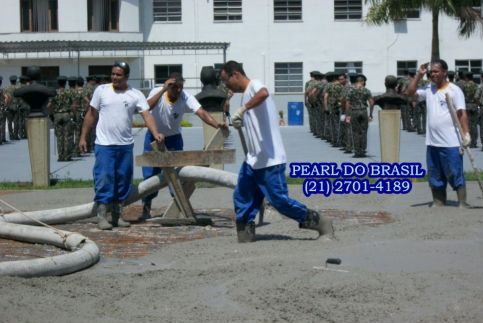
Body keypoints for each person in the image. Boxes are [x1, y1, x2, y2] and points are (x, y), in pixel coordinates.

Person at [219, 60, 333, 242]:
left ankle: (321, 223)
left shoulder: (254, 85)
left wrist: (243, 109)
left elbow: (263, 93)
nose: (226, 85)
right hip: (253, 159)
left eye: (227, 80)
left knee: (279, 201)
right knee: (242, 195)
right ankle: (245, 235)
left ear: (235, 74)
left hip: (270, 159)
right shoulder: (245, 95)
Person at [79, 61, 165, 230]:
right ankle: (102, 215)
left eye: (118, 75)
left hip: (125, 145)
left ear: (126, 77)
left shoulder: (135, 94)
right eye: (113, 74)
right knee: (104, 178)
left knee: (123, 180)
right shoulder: (101, 91)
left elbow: (146, 115)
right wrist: (83, 137)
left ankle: (118, 215)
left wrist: (156, 133)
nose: (114, 77)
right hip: (104, 145)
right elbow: (91, 115)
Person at [139, 71, 228, 220]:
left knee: (176, 175)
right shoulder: (157, 92)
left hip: (173, 139)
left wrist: (215, 123)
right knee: (149, 175)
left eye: (180, 87)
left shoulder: (185, 96)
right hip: (154, 138)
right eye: (175, 87)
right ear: (169, 85)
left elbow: (201, 112)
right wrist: (162, 90)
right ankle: (146, 206)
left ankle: (179, 206)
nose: (178, 90)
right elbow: (145, 108)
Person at [406, 59, 470, 208]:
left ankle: (462, 201)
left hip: (451, 142)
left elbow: (462, 113)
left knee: (454, 171)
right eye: (431, 72)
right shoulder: (429, 89)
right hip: (432, 141)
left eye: (436, 71)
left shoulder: (454, 90)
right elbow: (410, 93)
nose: (433, 74)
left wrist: (466, 134)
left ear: (444, 72)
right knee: (435, 174)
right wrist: (418, 75)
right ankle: (439, 200)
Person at [345, 74, 374, 158]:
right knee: (364, 131)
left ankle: (357, 151)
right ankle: (363, 150)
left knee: (355, 131)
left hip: (354, 111)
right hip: (363, 111)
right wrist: (371, 114)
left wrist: (347, 115)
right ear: (362, 81)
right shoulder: (366, 90)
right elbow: (371, 103)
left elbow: (347, 104)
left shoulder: (351, 90)